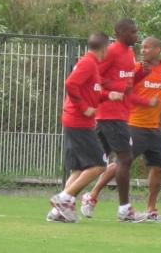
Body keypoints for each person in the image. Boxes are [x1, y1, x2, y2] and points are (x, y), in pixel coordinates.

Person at [81, 37, 161, 222]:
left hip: (154, 127)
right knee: (121, 163)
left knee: (158, 167)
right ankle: (92, 195)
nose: (143, 51)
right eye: (141, 48)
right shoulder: (136, 69)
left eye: (147, 48)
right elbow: (126, 92)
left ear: (158, 49)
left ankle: (151, 209)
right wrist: (144, 101)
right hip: (133, 124)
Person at [46, 32, 119, 223]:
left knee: (78, 169)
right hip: (78, 121)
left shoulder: (91, 64)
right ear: (105, 47)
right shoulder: (88, 63)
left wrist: (107, 96)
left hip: (76, 120)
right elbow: (70, 84)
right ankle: (63, 200)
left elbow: (90, 91)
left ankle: (57, 213)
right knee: (98, 165)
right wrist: (84, 107)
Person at [91, 18, 144, 222]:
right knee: (125, 158)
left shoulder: (130, 53)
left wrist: (140, 75)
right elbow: (96, 76)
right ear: (120, 32)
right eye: (133, 32)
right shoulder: (112, 51)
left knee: (94, 162)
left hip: (118, 113)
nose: (136, 36)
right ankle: (124, 209)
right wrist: (109, 92)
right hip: (110, 113)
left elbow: (126, 82)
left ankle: (65, 199)